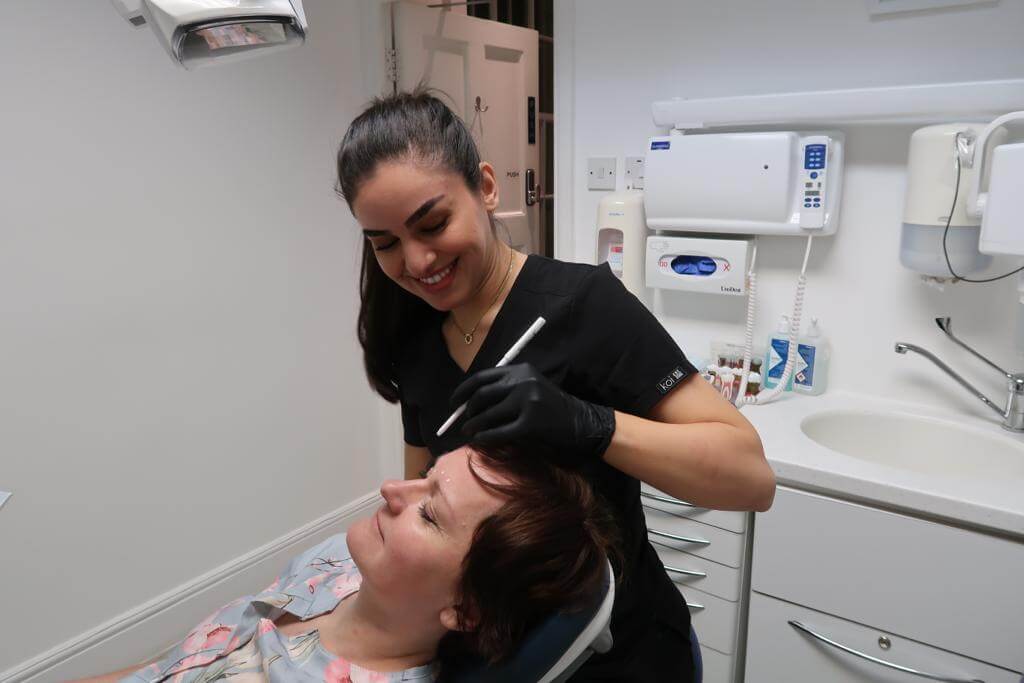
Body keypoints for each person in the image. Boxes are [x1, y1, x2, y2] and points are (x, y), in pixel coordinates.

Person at [337, 89, 776, 682]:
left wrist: (588, 424)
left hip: (620, 657)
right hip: (497, 660)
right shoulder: (413, 333)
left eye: (433, 223)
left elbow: (751, 477)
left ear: (486, 188)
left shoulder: (584, 307)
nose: (415, 263)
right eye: (385, 243)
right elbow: (420, 483)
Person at [73, 444, 616, 683]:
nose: (390, 489)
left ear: (466, 609)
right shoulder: (337, 562)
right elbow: (182, 661)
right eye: (426, 473)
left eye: (429, 513)